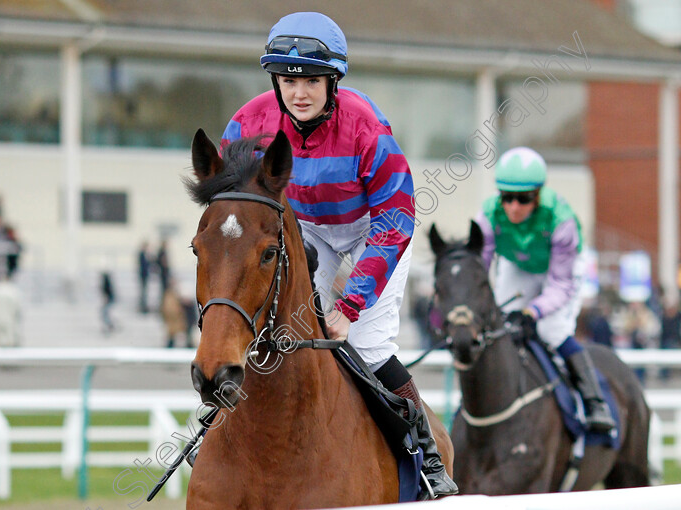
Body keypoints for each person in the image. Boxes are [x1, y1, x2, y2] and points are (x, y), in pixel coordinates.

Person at [221, 12, 455, 498]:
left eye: (311, 80)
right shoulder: (248, 123)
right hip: (308, 229)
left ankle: (427, 454)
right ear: (275, 79)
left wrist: (350, 306)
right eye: (289, 80)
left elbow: (396, 220)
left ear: (333, 81)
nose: (299, 92)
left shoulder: (366, 127)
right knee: (283, 329)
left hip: (376, 230)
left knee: (367, 344)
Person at [474, 147, 616, 433]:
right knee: (502, 327)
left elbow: (560, 284)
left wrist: (532, 311)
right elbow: (480, 268)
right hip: (517, 265)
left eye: (523, 198)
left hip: (561, 271)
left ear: (538, 194)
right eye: (506, 197)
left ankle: (594, 401)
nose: (513, 207)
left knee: (551, 330)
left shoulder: (560, 219)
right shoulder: (487, 215)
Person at [0, 273, 22, 347]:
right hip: (8, 315)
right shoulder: (12, 290)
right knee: (9, 333)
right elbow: (17, 304)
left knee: (0, 334)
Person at [100, 270, 117, 335]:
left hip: (109, 300)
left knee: (105, 314)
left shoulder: (106, 284)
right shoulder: (108, 284)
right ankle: (110, 325)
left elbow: (107, 293)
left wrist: (106, 300)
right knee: (105, 314)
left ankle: (110, 325)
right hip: (109, 300)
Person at [137, 241, 151, 313]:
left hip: (145, 275)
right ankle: (142, 307)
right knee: (143, 291)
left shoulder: (145, 254)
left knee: (144, 291)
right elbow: (143, 265)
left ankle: (143, 306)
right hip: (143, 275)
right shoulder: (142, 254)